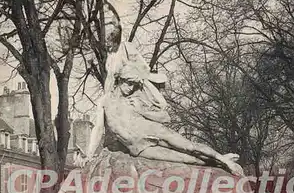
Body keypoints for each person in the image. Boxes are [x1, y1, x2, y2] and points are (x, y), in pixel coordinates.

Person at [83, 16, 243, 176]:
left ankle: (223, 159)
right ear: (120, 80)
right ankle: (219, 162)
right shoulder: (104, 101)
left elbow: (165, 118)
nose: (130, 88)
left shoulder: (133, 100)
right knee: (187, 159)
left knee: (190, 147)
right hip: (139, 147)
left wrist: (143, 111)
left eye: (134, 85)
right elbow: (97, 129)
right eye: (128, 83)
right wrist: (89, 154)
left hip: (153, 130)